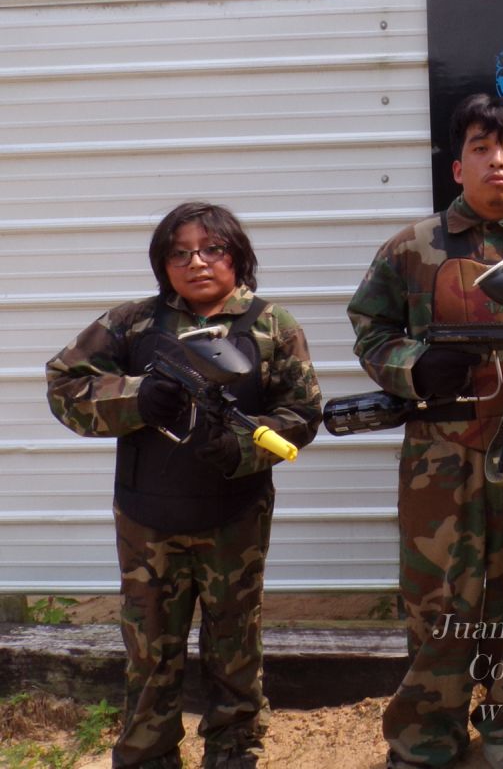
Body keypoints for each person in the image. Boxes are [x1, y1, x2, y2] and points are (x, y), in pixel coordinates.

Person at [347, 93, 503, 769]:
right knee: (438, 599)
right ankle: (425, 737)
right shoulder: (412, 249)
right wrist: (415, 366)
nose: (497, 161)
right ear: (457, 167)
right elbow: (371, 331)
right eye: (481, 148)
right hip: (441, 455)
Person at [45, 202, 322, 769]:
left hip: (235, 516)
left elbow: (302, 413)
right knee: (150, 649)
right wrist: (135, 398)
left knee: (235, 645)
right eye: (179, 253)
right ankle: (148, 754)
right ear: (163, 263)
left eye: (211, 249)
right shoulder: (132, 324)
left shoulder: (273, 326)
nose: (196, 262)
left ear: (237, 256)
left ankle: (235, 751)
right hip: (148, 520)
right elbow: (64, 384)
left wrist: (243, 446)